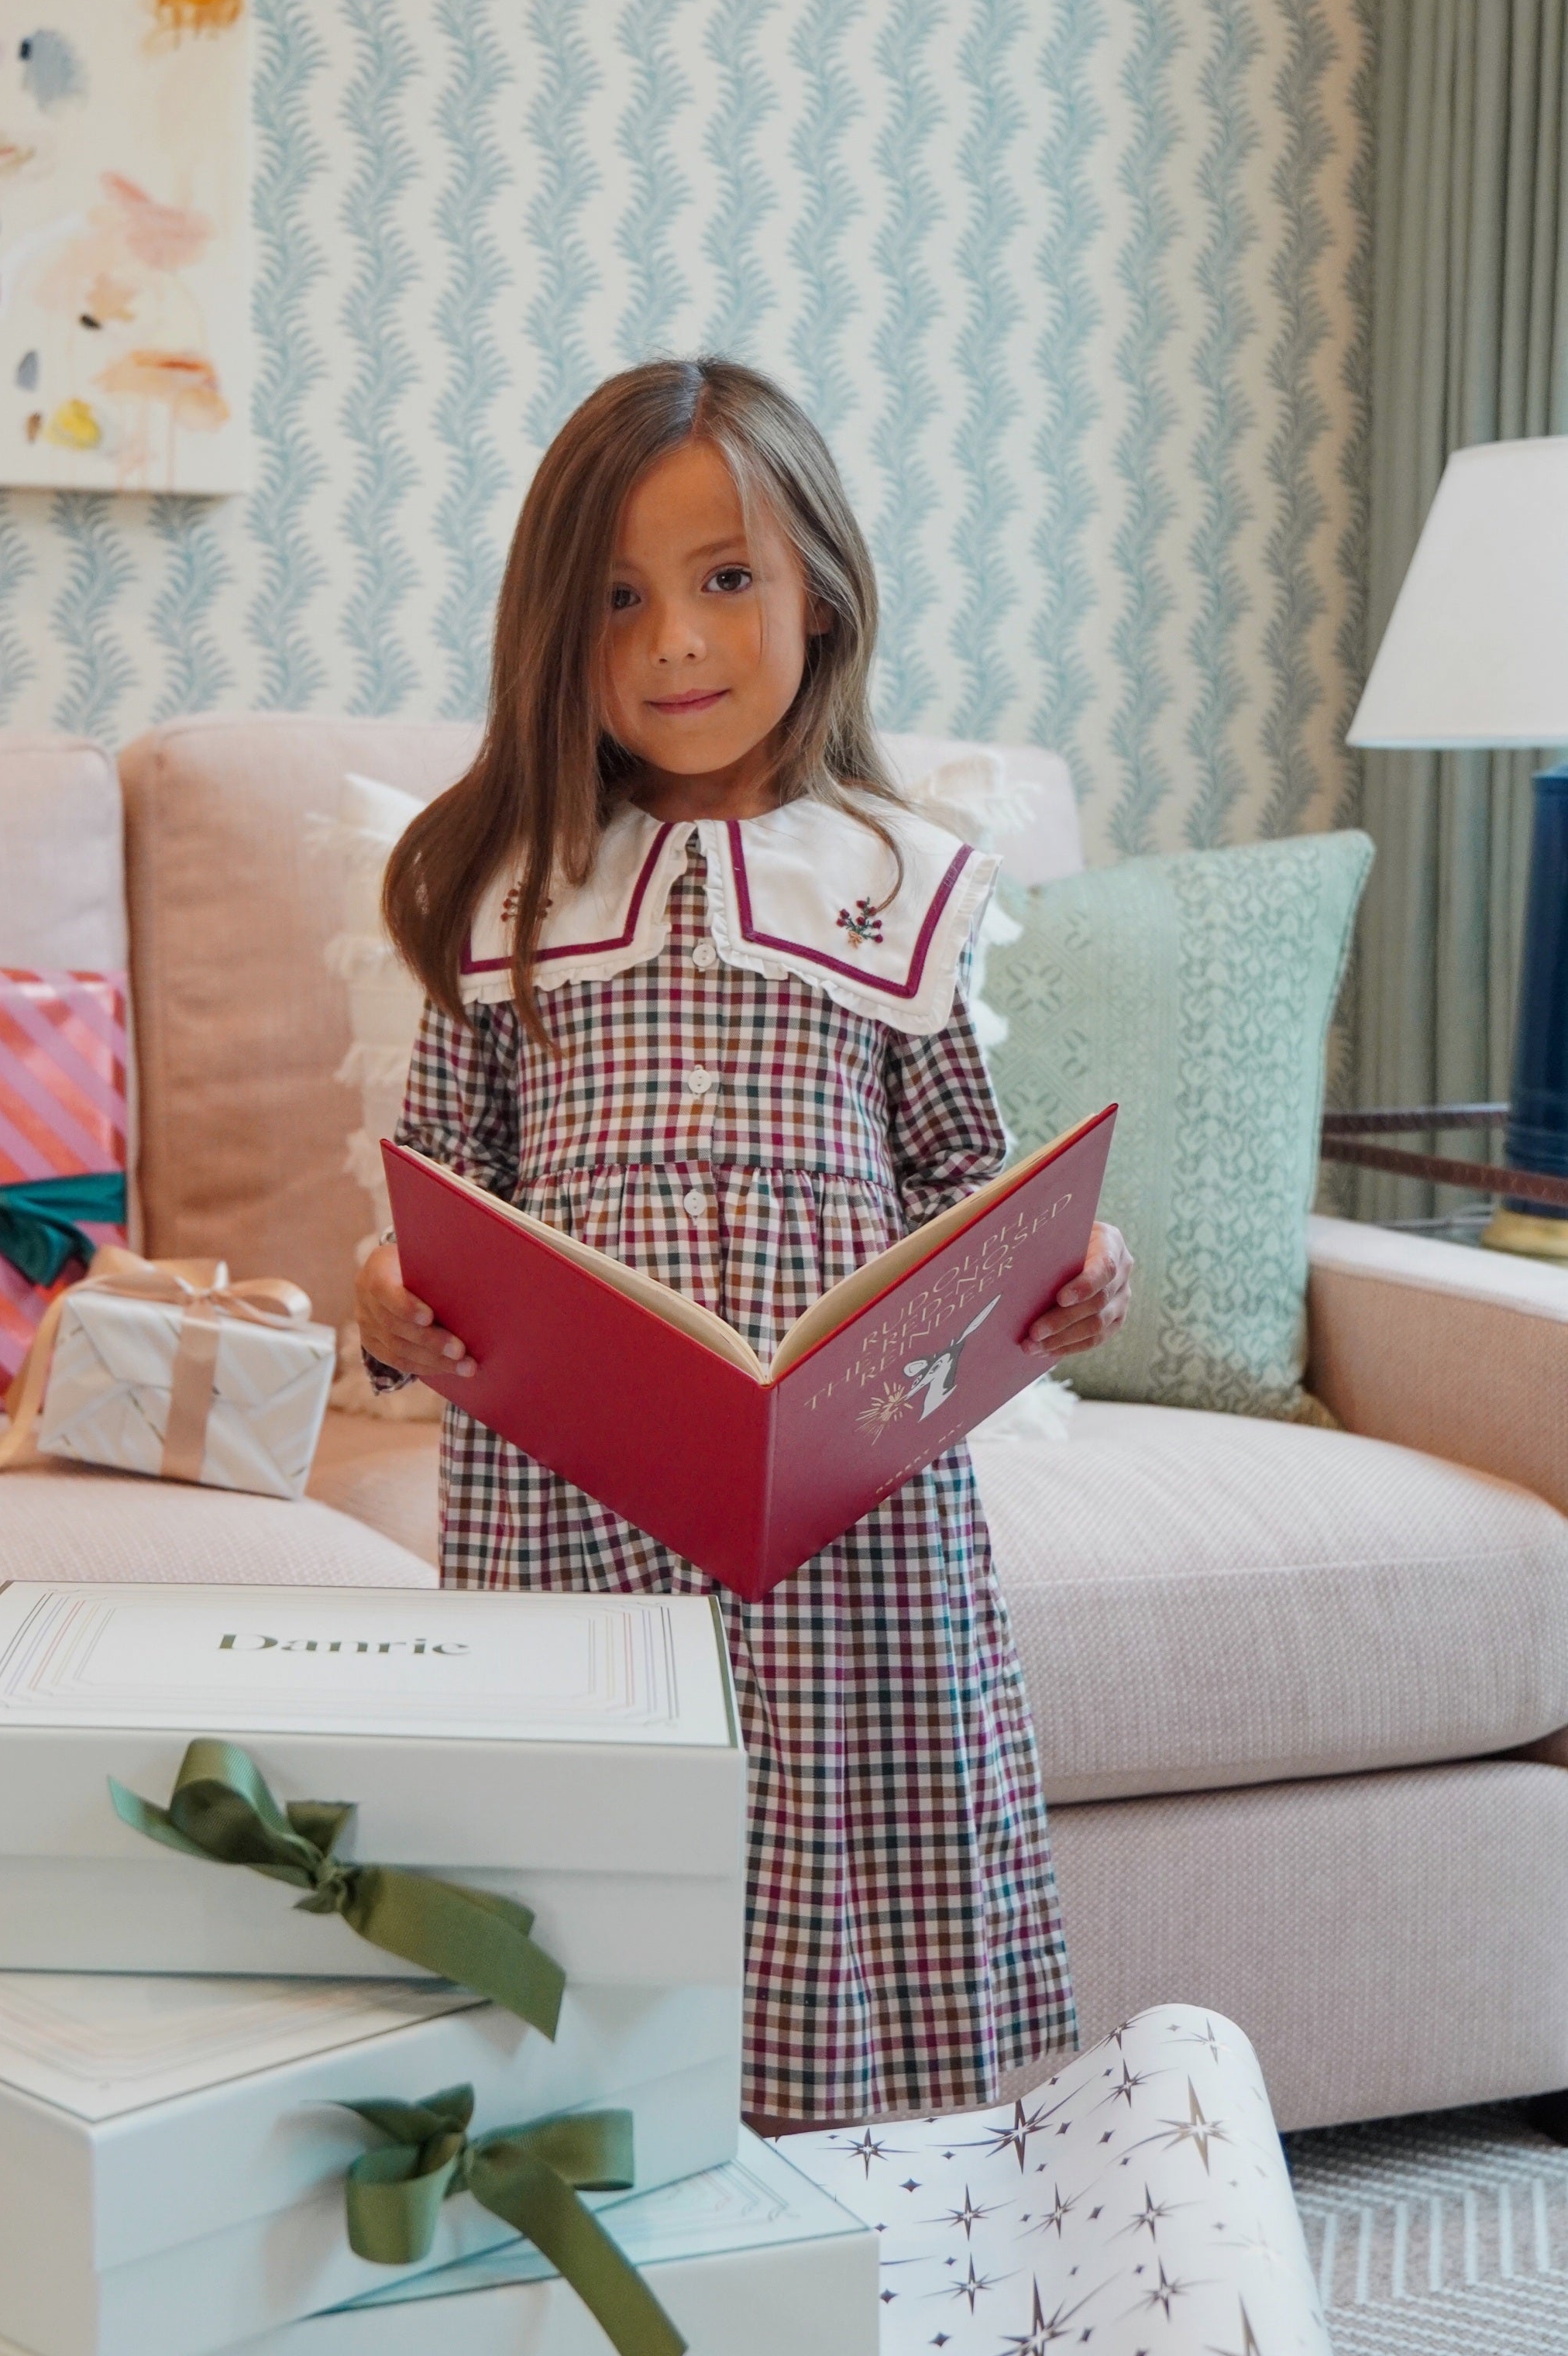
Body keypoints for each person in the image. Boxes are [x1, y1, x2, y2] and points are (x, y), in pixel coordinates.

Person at [357, 359, 1133, 2129]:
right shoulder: (509, 895)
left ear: (822, 599)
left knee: (824, 1809)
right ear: (557, 631)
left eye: (725, 581)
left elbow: (969, 1190)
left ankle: (843, 2178)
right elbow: (432, 1191)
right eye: (618, 597)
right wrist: (387, 1305)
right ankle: (585, 2141)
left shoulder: (895, 880)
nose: (674, 642)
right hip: (570, 1483)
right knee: (588, 1814)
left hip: (844, 1500)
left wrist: (1073, 1283)